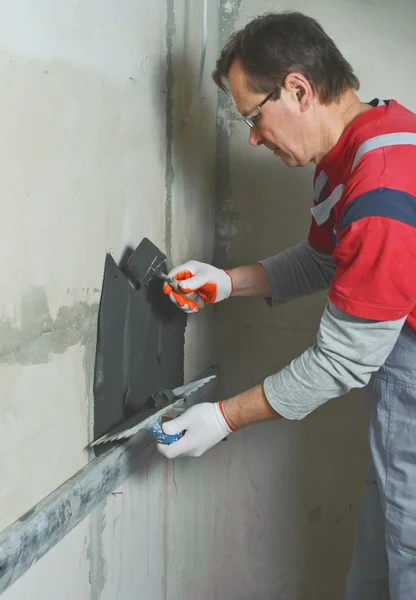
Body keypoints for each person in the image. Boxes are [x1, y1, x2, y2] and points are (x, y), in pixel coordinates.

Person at [158, 11, 416, 599]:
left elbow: (340, 363)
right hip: (398, 373)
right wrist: (227, 281)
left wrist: (223, 419)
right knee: (386, 550)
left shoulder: (380, 182)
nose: (252, 137)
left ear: (298, 89)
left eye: (253, 116)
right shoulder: (359, 144)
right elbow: (327, 259)